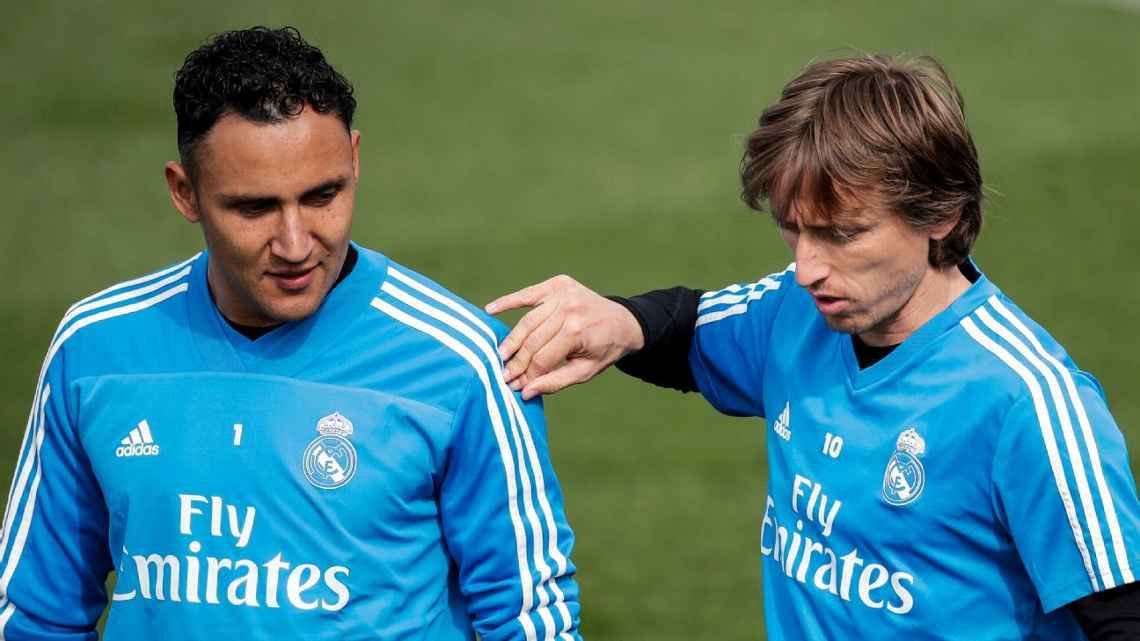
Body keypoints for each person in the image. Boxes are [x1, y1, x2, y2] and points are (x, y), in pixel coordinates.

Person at [486, 54, 1140, 639]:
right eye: (792, 229)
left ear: (940, 215)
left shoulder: (1027, 403)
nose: (806, 269)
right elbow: (686, 330)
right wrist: (617, 321)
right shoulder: (794, 315)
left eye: (842, 234)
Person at [0, 26, 580, 641]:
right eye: (255, 208)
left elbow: (529, 622)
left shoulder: (462, 363)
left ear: (354, 161)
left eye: (323, 195)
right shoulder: (95, 349)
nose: (297, 244)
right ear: (185, 193)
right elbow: (36, 616)